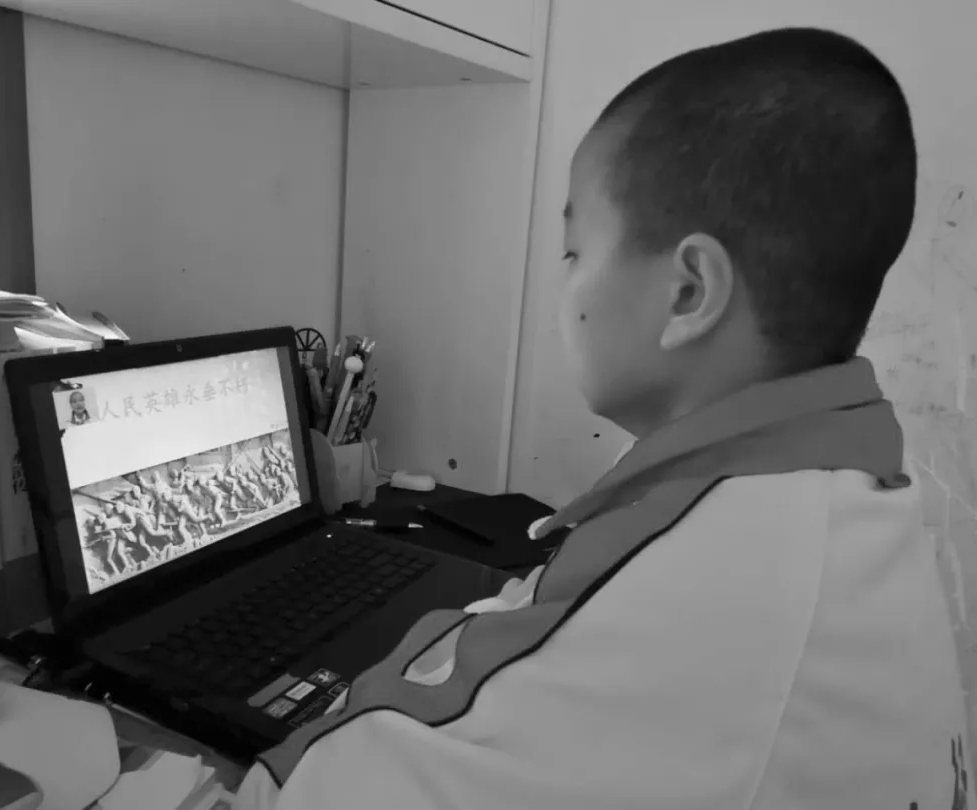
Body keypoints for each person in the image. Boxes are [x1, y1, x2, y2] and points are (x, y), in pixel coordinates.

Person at [234, 27, 973, 810]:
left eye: (574, 253)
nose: (566, 290)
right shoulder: (845, 485)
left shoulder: (715, 572)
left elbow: (336, 785)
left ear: (688, 293)